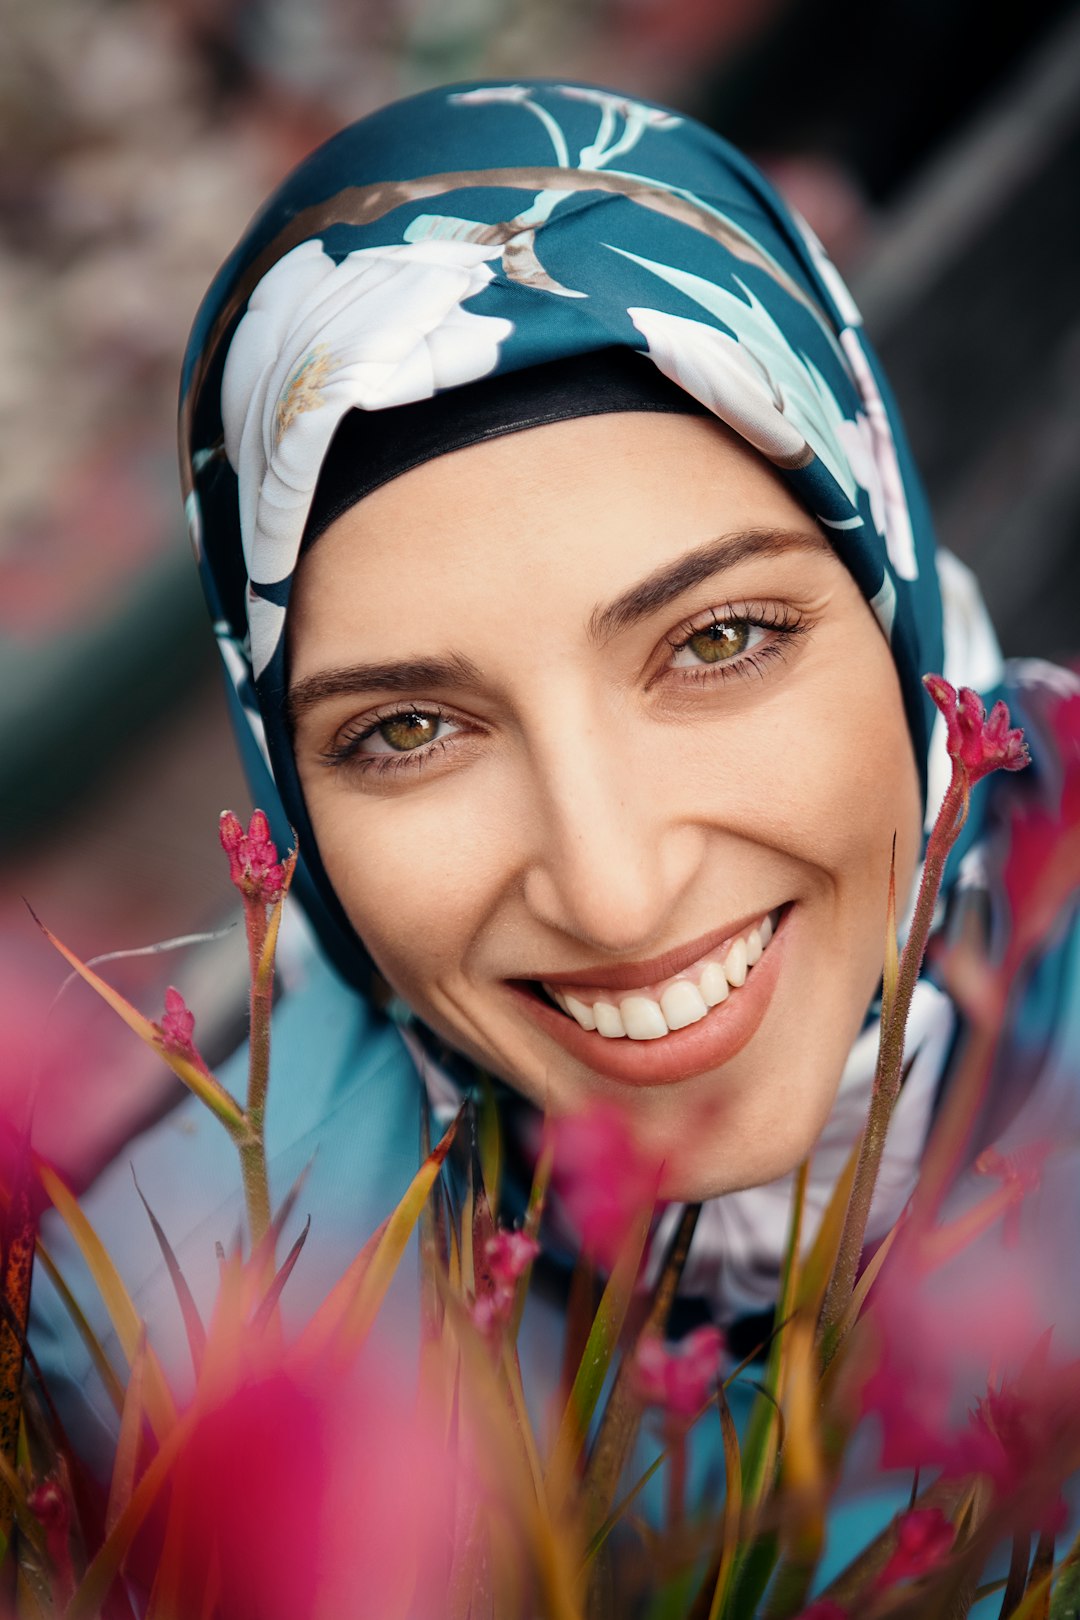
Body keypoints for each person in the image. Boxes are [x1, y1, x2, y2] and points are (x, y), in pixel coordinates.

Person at [30, 76, 1080, 1601]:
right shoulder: (177, 1321)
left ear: (889, 590)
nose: (613, 886)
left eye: (719, 638)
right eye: (407, 730)